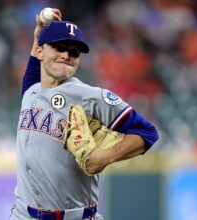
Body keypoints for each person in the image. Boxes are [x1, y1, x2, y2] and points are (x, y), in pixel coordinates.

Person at [10, 8, 159, 220]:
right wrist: (38, 35)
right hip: (23, 215)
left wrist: (104, 157)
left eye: (74, 51)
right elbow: (35, 69)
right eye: (58, 47)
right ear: (41, 52)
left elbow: (147, 132)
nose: (66, 55)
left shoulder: (89, 96)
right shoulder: (31, 90)